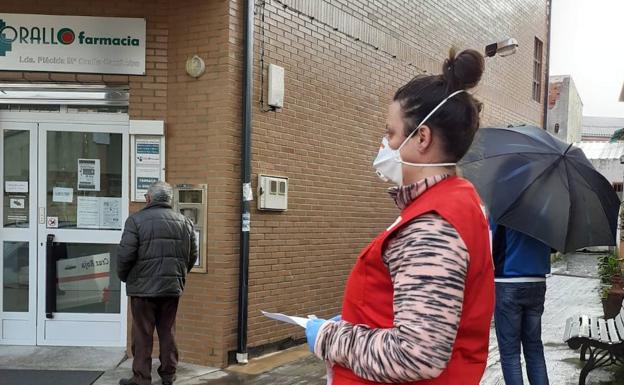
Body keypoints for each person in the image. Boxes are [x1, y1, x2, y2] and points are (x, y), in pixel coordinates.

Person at [305, 48, 495, 385]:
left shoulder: (433, 224)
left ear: (422, 137)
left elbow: (416, 355)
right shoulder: (451, 204)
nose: (384, 145)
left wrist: (330, 337)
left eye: (391, 134)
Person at [117, 181, 198, 385]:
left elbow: (125, 255)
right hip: (171, 288)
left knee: (142, 334)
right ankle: (168, 376)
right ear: (170, 200)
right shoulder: (185, 222)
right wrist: (177, 276)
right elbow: (191, 256)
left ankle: (141, 379)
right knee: (167, 331)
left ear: (148, 198)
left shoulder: (135, 221)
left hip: (142, 290)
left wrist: (125, 276)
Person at [490, 222, 551, 385]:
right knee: (534, 348)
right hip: (537, 280)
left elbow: (491, 247)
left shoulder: (504, 210)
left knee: (510, 353)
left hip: (508, 281)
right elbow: (553, 247)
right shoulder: (547, 211)